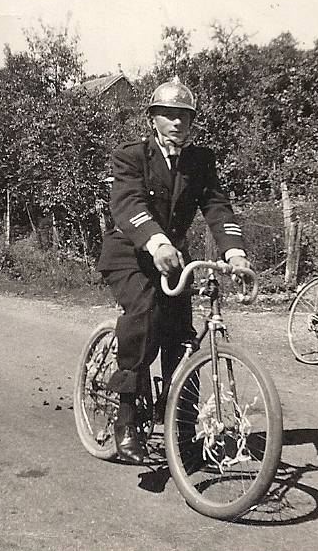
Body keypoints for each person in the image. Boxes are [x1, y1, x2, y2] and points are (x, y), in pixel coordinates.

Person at [96, 77, 251, 464]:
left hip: (173, 260)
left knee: (182, 339)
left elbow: (217, 207)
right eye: (168, 114)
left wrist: (234, 252)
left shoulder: (200, 161)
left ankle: (182, 427)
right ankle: (126, 414)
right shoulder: (131, 156)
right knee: (145, 313)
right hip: (129, 253)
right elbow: (128, 202)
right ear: (152, 119)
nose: (178, 122)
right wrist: (157, 240)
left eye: (185, 116)